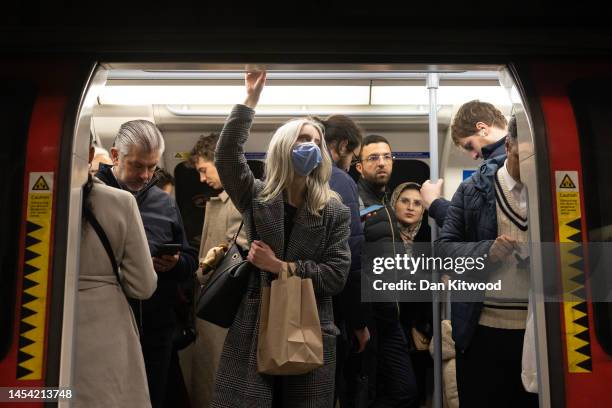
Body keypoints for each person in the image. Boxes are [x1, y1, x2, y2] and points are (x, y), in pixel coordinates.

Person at [211, 71, 351, 408]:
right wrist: (249, 102)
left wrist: (281, 267)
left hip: (310, 326)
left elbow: (336, 276)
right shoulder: (257, 197)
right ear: (285, 146)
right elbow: (227, 156)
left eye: (317, 142)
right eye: (303, 139)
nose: (311, 147)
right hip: (256, 324)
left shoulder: (333, 210)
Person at [96, 120, 198, 408]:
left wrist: (175, 264)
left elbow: (191, 259)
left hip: (156, 325)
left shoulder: (163, 202)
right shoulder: (91, 197)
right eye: (138, 165)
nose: (145, 175)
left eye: (152, 167)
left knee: (153, 397)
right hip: (107, 323)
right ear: (115, 156)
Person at [437, 117, 537, 407]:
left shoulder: (549, 193)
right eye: (522, 157)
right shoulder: (474, 191)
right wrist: (485, 253)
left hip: (536, 332)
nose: (529, 167)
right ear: (508, 145)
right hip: (482, 330)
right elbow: (443, 250)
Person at [74, 137, 157, 407]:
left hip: (35, 326)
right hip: (106, 329)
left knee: (57, 395)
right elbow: (143, 285)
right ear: (87, 153)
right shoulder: (120, 202)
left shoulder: (21, 199)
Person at [356, 134, 418, 407]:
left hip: (391, 316)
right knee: (374, 392)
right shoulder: (355, 201)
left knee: (400, 391)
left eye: (386, 157)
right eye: (373, 158)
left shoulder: (386, 206)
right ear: (359, 166)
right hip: (369, 317)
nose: (381, 163)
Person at [188, 132, 248, 408]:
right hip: (212, 306)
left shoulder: (236, 203)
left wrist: (201, 274)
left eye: (204, 169)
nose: (202, 179)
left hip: (220, 307)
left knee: (216, 381)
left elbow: (233, 259)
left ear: (221, 163)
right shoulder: (225, 200)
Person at [316, 114, 369, 406]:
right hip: (328, 307)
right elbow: (350, 259)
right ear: (342, 146)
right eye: (353, 156)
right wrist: (358, 322)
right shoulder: (340, 180)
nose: (351, 163)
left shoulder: (293, 176)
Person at [421, 100, 510, 227]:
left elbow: (475, 226)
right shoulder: (510, 157)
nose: (474, 156)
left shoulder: (498, 167)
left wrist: (434, 203)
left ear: (482, 129)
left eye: (470, 145)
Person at [390, 181, 433, 407]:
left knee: (414, 386)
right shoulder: (384, 235)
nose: (411, 207)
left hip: (417, 324)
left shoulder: (430, 237)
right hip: (388, 321)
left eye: (417, 203)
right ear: (394, 203)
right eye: (405, 201)